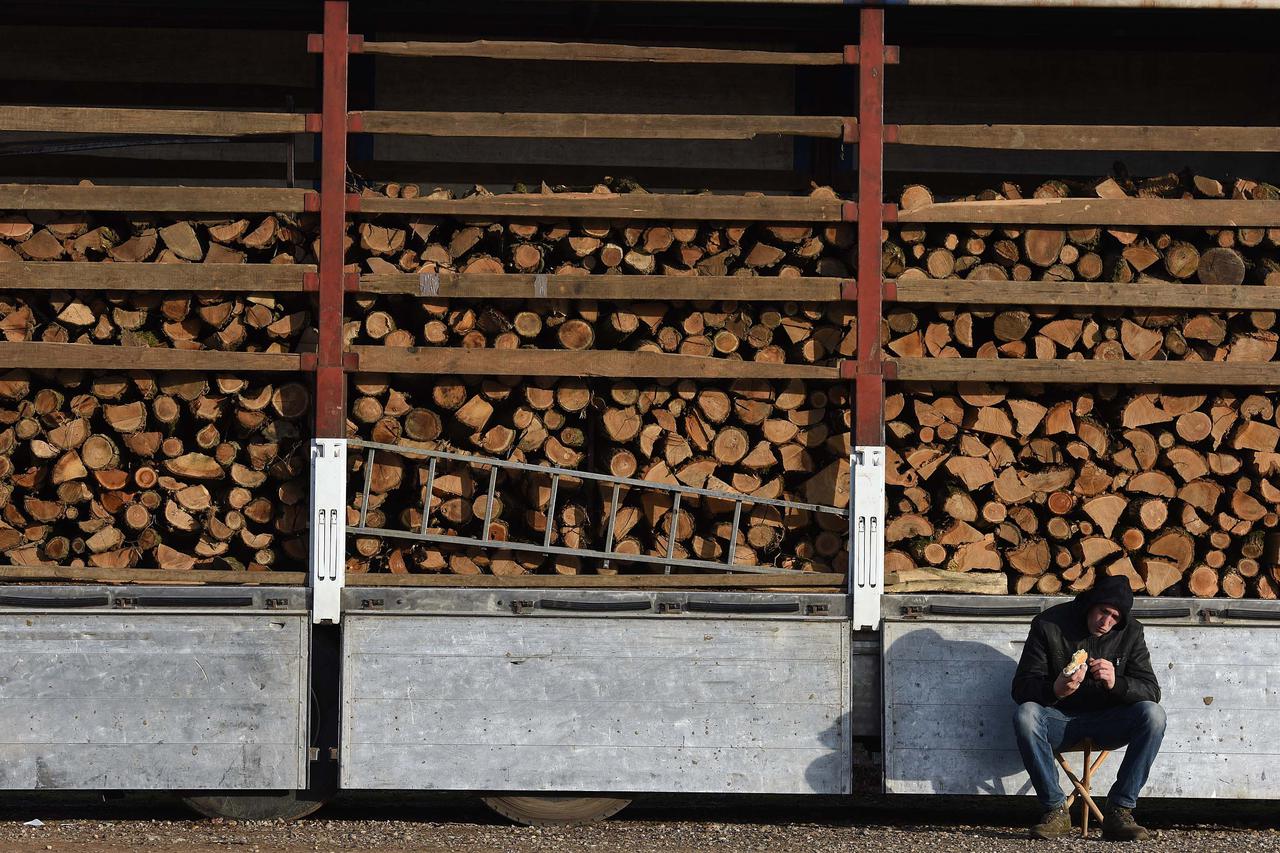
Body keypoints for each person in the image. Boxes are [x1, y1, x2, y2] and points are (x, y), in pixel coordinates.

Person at [1010, 575, 1165, 841]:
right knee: (1025, 715)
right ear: (1091, 603)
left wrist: (1117, 683)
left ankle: (1120, 811)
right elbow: (1021, 688)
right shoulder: (1048, 624)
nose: (1106, 623)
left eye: (1115, 617)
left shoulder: (1131, 632)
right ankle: (1055, 811)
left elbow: (1151, 691)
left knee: (1154, 715)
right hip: (1058, 721)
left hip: (1108, 723)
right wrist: (1055, 689)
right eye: (1103, 612)